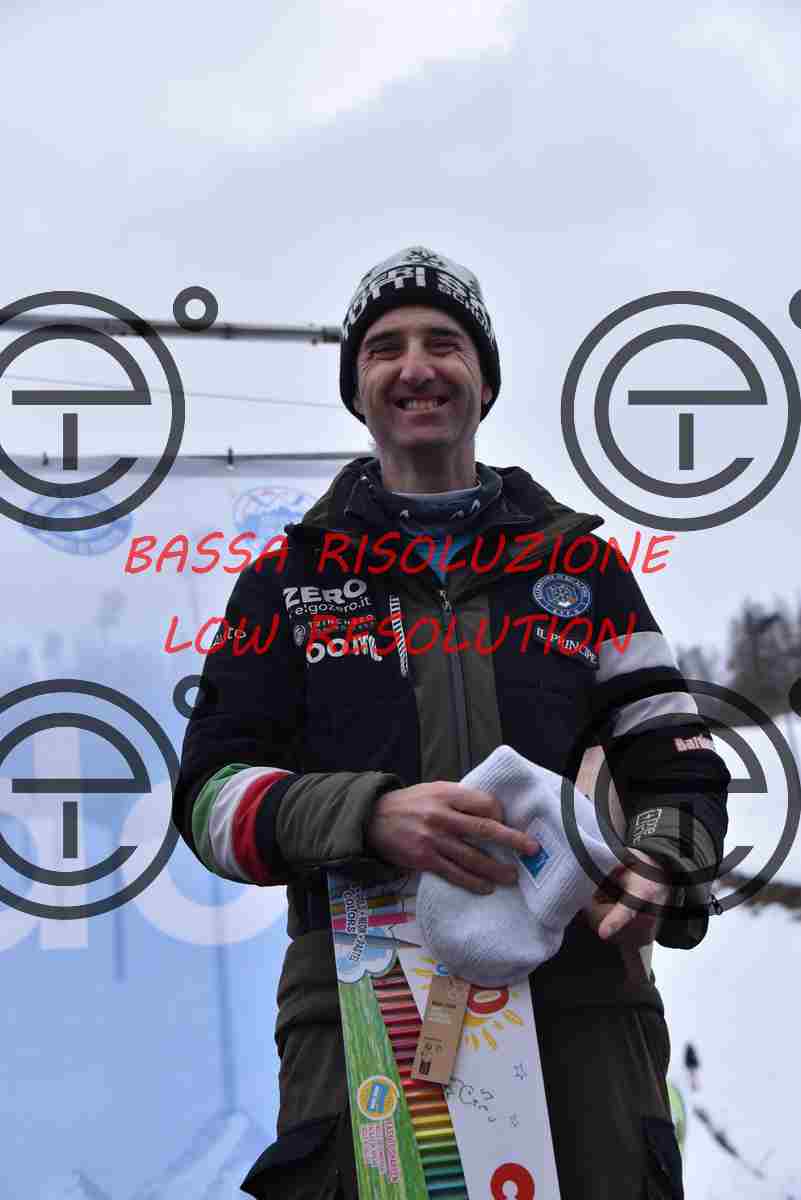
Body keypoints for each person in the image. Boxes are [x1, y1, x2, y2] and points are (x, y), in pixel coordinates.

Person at [172, 246, 730, 1200]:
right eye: (384, 348)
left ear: (484, 380)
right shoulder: (284, 583)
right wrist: (368, 814)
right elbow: (212, 801)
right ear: (357, 391)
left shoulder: (584, 570)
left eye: (444, 342)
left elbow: (676, 763)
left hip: (582, 1017)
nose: (415, 367)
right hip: (364, 1025)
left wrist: (661, 858)